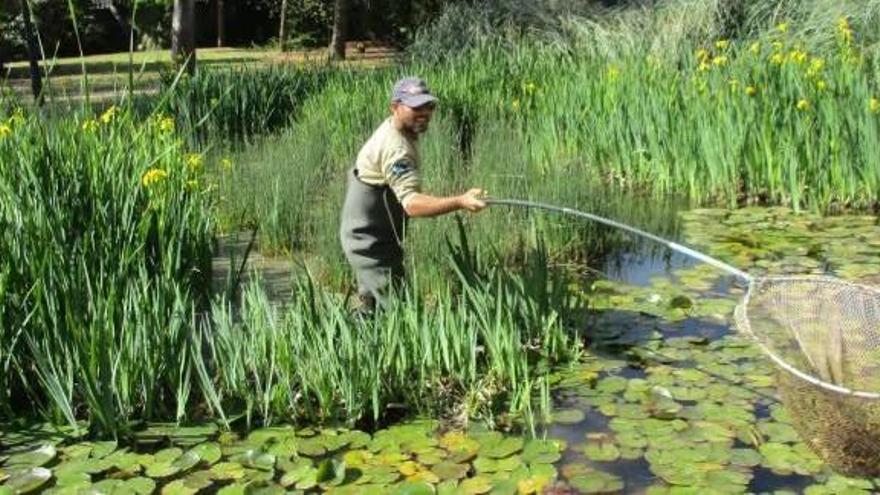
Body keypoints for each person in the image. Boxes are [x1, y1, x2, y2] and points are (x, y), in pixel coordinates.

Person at [340, 77, 487, 311]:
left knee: (373, 310)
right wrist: (460, 201)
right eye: (416, 107)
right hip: (370, 246)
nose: (424, 113)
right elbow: (412, 204)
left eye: (429, 106)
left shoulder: (398, 129)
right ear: (395, 107)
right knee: (400, 314)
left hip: (379, 241)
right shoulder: (396, 149)